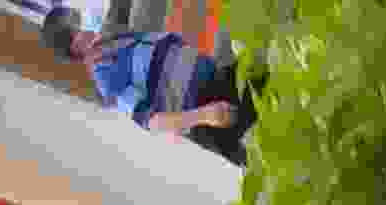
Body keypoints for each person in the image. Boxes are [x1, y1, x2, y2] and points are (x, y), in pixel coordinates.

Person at [39, 5, 246, 162]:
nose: (86, 27)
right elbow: (153, 122)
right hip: (213, 113)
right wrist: (204, 115)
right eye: (76, 26)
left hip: (219, 78)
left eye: (79, 19)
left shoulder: (117, 39)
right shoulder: (107, 80)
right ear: (75, 47)